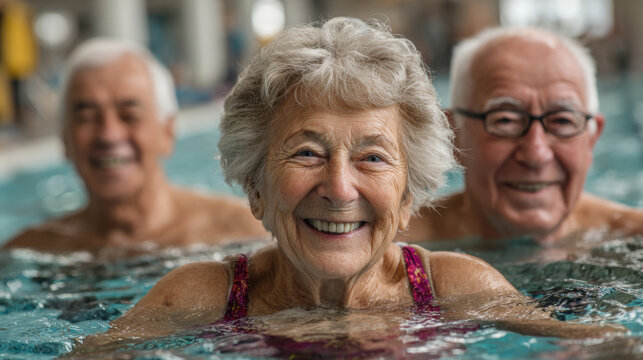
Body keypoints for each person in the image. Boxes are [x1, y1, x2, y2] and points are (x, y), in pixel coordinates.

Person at [69, 19, 623, 356]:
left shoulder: (455, 286)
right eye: (306, 152)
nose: (339, 187)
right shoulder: (202, 297)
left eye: (373, 157)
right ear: (255, 187)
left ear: (409, 197)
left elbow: (601, 346)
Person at [3, 38, 267, 254]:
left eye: (129, 115)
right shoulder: (31, 250)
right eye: (86, 117)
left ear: (167, 132)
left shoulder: (243, 232)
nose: (108, 134)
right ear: (64, 139)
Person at [402, 27, 643, 245]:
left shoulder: (635, 237)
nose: (536, 154)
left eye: (562, 121)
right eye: (505, 120)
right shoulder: (393, 249)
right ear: (454, 135)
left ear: (591, 139)